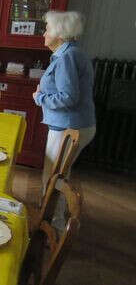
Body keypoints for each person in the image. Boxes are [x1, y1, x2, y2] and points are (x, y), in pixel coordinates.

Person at [33, 10, 96, 190]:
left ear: (60, 34)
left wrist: (40, 98)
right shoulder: (72, 53)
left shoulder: (67, 57)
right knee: (57, 173)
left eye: (47, 30)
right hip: (74, 123)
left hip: (68, 126)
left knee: (54, 176)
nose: (44, 34)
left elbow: (68, 97)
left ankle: (53, 217)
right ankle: (53, 214)